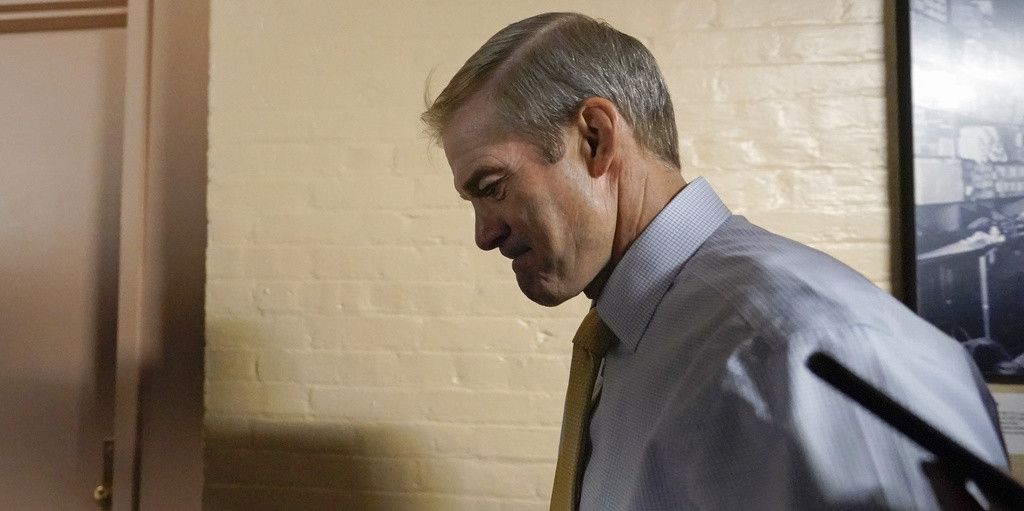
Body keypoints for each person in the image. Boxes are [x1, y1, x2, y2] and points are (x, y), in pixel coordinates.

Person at [421, 12, 1010, 510]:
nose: (484, 233)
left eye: (493, 185)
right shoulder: (653, 338)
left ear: (596, 139)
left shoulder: (793, 347)